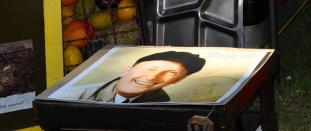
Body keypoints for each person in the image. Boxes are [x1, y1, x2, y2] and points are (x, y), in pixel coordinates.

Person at [62, 50, 206, 103]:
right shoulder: (73, 97)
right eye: (151, 68)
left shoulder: (162, 106)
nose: (152, 77)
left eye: (171, 74)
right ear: (128, 68)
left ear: (176, 81)